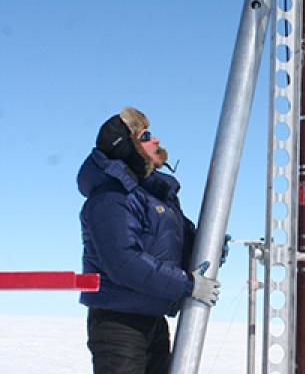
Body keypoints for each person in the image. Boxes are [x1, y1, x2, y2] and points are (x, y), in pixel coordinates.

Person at [78, 107, 228, 374]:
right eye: (145, 136)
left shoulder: (156, 197)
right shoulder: (112, 198)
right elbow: (124, 262)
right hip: (119, 326)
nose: (156, 140)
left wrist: (210, 247)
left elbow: (175, 245)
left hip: (152, 320)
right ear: (128, 147)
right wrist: (187, 285)